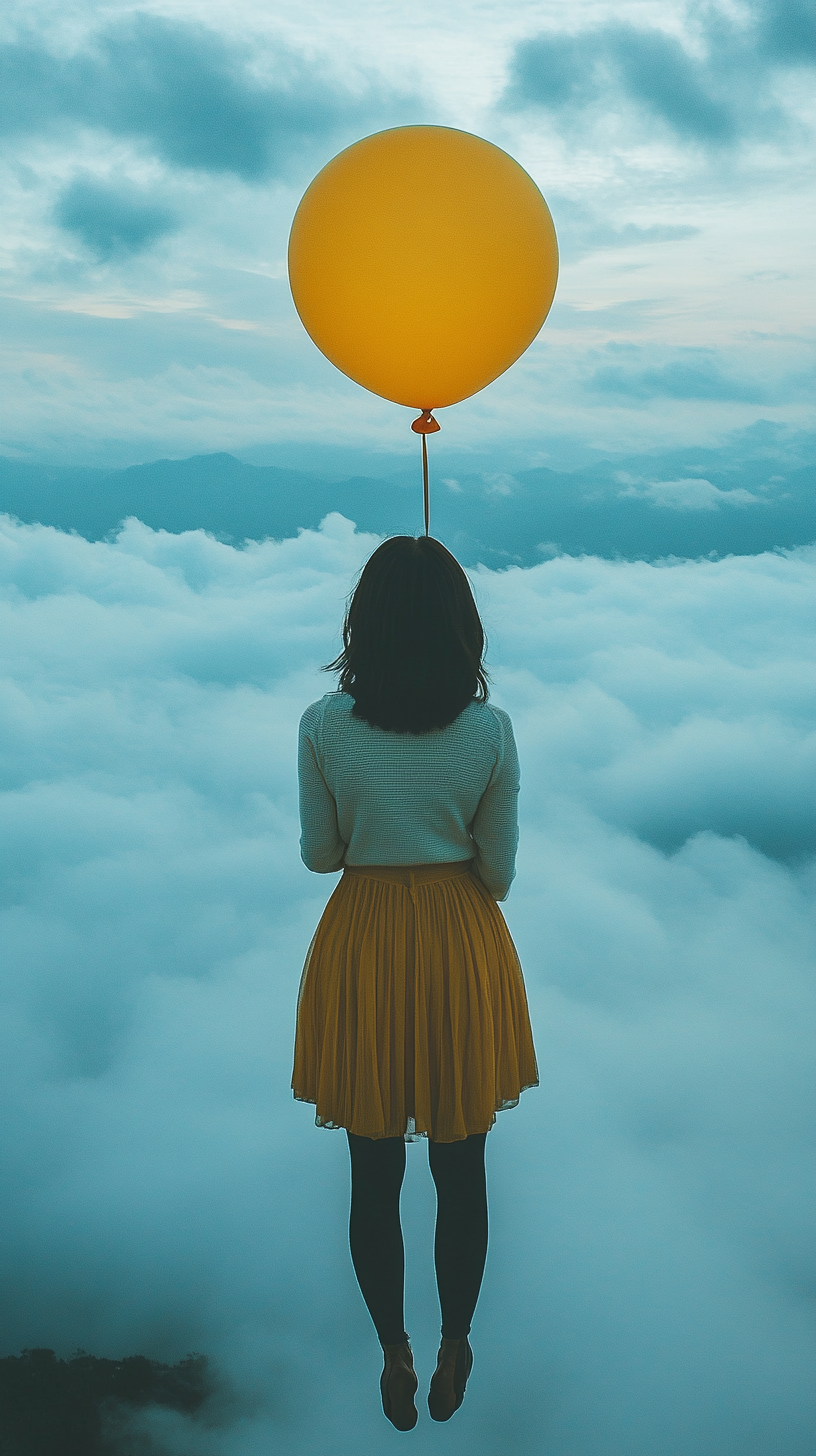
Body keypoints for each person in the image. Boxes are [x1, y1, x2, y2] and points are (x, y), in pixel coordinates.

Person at [292, 535, 538, 1430]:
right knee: (461, 1163)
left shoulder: (323, 724)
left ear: (366, 623)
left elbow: (322, 855)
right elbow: (499, 871)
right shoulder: (490, 732)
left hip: (363, 937)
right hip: (458, 939)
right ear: (460, 628)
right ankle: (457, 1338)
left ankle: (391, 1346)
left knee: (372, 1167)